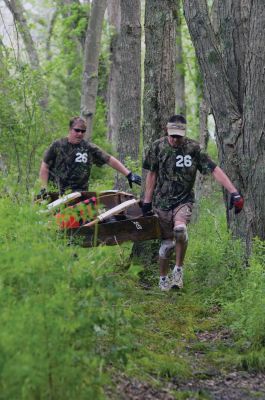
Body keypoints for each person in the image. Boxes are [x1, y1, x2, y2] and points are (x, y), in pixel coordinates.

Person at [142, 115, 244, 291]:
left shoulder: (193, 148)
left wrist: (234, 192)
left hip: (183, 200)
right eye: (172, 135)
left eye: (179, 136)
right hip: (161, 202)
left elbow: (214, 170)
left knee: (180, 230)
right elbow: (151, 175)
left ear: (184, 133)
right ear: (167, 131)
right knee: (166, 245)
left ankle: (179, 270)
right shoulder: (157, 147)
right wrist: (146, 201)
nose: (175, 139)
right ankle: (163, 279)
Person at [39, 116, 141, 195]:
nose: (80, 133)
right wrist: (43, 188)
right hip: (58, 195)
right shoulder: (58, 145)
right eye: (77, 130)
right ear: (70, 129)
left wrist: (128, 174)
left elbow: (109, 159)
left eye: (83, 131)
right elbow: (45, 165)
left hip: (81, 195)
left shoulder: (88, 148)